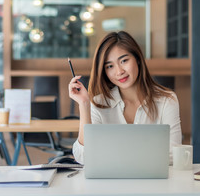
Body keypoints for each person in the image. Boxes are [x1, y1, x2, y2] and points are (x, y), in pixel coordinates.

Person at [68, 31, 182, 164]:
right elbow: (84, 157)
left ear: (138, 59)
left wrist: (112, 154)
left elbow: (174, 153)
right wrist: (84, 104)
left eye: (124, 61)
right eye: (110, 66)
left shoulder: (167, 100)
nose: (119, 71)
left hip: (154, 183)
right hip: (111, 183)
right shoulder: (99, 104)